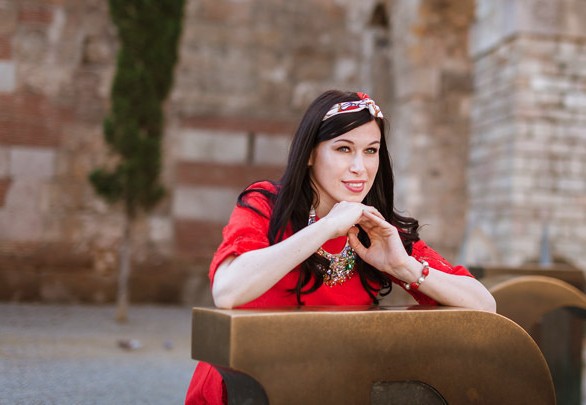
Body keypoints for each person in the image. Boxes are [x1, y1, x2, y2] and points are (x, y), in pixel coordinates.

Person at [185, 90, 495, 404]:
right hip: (248, 389)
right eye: (344, 149)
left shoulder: (380, 229)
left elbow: (484, 306)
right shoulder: (266, 204)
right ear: (309, 154)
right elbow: (227, 291)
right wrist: (326, 227)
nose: (360, 167)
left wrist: (402, 266)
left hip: (330, 388)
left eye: (371, 150)